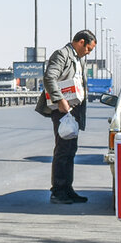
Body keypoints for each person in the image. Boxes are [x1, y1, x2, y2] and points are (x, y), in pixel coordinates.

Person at [44, 29, 96, 204]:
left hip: (74, 110)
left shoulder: (79, 59)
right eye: (88, 48)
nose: (88, 52)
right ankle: (58, 191)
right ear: (80, 42)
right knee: (62, 150)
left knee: (71, 150)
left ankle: (67, 188)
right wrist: (60, 100)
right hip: (62, 110)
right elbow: (50, 78)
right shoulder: (62, 55)